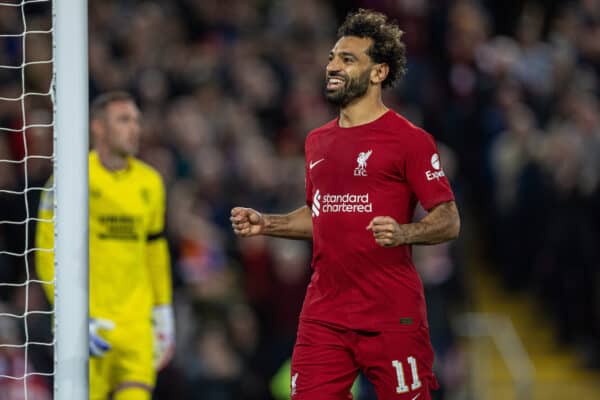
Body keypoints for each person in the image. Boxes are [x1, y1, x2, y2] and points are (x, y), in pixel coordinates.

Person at [231, 9, 460, 400]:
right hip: (325, 311)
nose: (333, 66)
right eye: (332, 58)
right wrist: (267, 223)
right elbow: (322, 216)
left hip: (391, 310)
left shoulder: (410, 141)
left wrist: (405, 232)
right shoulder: (317, 141)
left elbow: (449, 219)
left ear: (378, 73)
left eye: (347, 59)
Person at [35, 91, 175, 400]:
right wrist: (70, 312)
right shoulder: (70, 179)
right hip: (86, 322)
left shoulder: (150, 182)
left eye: (136, 121)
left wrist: (164, 309)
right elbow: (46, 252)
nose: (134, 128)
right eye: (124, 120)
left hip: (136, 323)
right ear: (98, 127)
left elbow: (155, 249)